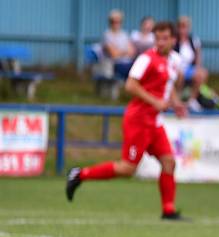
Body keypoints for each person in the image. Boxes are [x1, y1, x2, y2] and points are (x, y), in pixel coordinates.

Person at [66, 21, 187, 220]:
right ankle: (80, 175)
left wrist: (176, 103)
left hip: (154, 122)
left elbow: (169, 86)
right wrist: (155, 101)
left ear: (174, 40)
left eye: (165, 38)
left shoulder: (174, 60)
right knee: (127, 169)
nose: (160, 42)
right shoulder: (146, 59)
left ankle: (168, 210)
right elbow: (130, 86)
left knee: (169, 162)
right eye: (157, 38)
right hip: (138, 120)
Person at [175, 15, 209, 112]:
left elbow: (198, 56)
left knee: (202, 73)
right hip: (177, 68)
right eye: (180, 26)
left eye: (185, 26)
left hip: (189, 68)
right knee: (180, 74)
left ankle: (192, 100)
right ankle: (177, 100)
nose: (182, 29)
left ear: (188, 28)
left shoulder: (193, 40)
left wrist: (198, 68)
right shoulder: (173, 40)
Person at [102, 9, 136, 78]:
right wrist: (125, 52)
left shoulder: (124, 34)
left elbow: (132, 52)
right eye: (113, 21)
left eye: (118, 21)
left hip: (128, 63)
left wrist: (120, 52)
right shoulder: (107, 35)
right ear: (110, 22)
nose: (116, 24)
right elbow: (114, 54)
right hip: (115, 65)